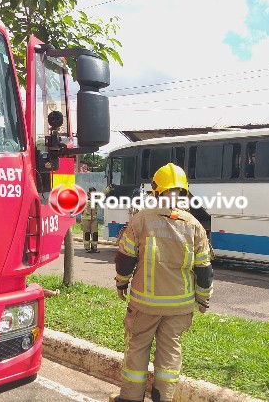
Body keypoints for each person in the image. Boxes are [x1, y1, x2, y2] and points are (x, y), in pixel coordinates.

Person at [111, 163, 213, 402]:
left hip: (145, 305)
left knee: (138, 347)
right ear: (184, 191)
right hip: (179, 307)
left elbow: (125, 258)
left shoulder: (141, 220)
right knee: (170, 353)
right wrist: (203, 299)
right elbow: (204, 269)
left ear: (156, 191)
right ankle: (162, 398)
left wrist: (121, 283)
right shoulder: (195, 226)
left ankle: (130, 398)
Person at [81, 187, 100, 253]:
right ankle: (87, 248)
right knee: (86, 234)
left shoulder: (96, 198)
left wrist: (109, 188)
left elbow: (104, 194)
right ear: (89, 192)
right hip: (85, 219)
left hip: (94, 219)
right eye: (93, 192)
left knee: (95, 234)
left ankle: (94, 248)